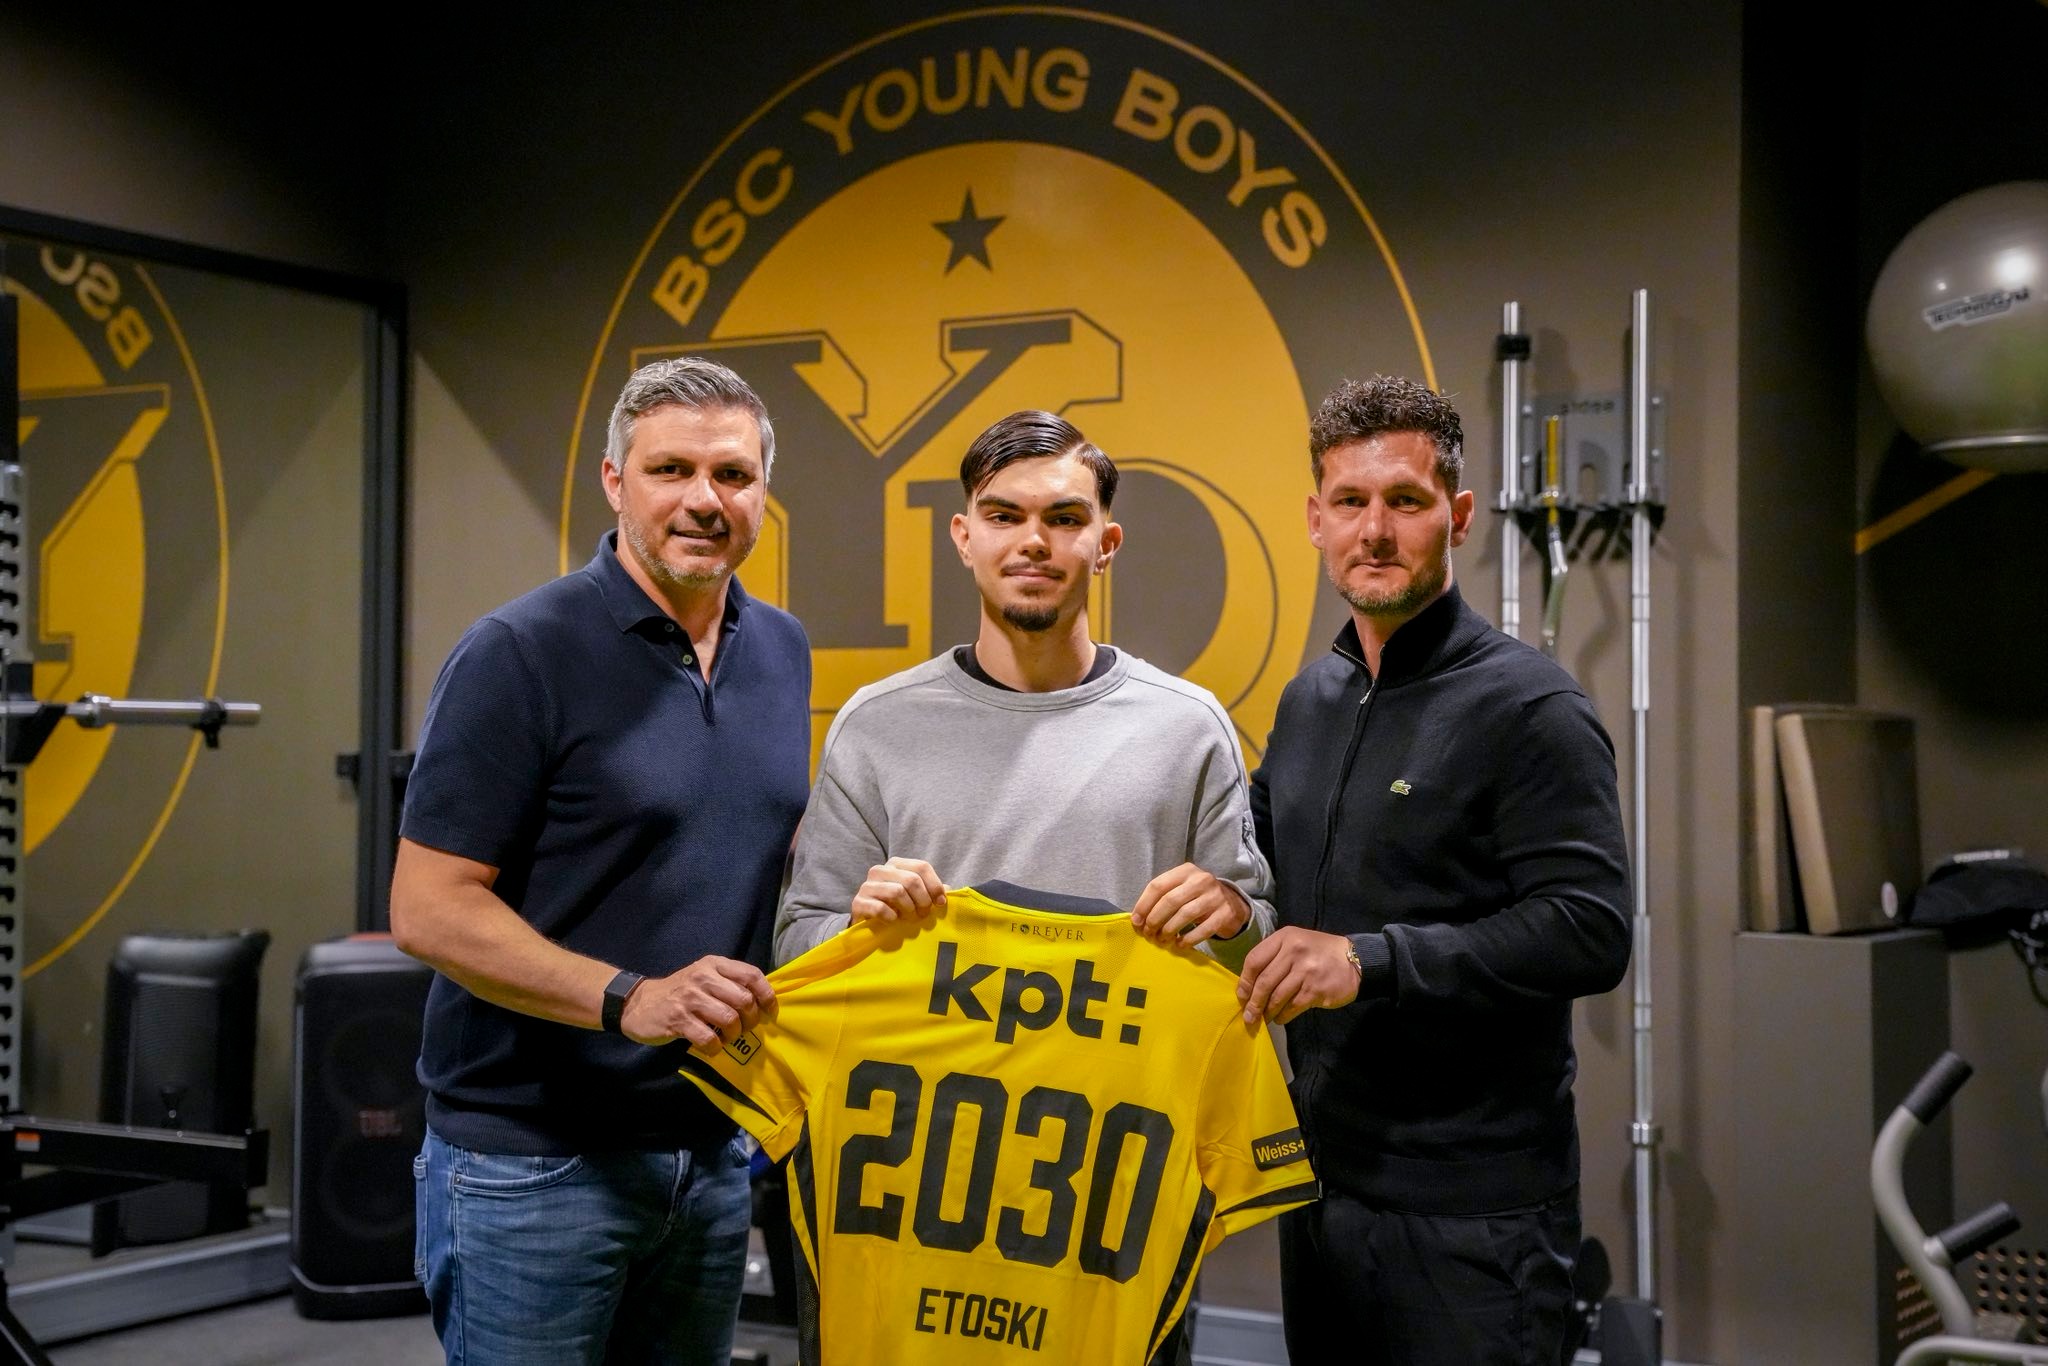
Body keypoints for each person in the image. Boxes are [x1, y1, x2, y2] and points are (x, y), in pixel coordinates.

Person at [389, 357, 812, 1366]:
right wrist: (631, 998)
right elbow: (430, 907)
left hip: (708, 1152)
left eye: (733, 475)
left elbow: (742, 851)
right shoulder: (518, 651)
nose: (704, 500)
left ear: (762, 492)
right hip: (534, 1166)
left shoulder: (780, 648)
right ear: (616, 482)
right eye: (671, 470)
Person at [1237, 375, 1631, 1366]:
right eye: (1350, 501)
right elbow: (1258, 856)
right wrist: (1217, 891)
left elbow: (1589, 929)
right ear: (1315, 520)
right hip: (1321, 1193)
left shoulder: (1529, 707)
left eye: (1404, 502)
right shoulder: (1310, 701)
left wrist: (1369, 960)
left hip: (1475, 1221)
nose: (1374, 531)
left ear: (1455, 516)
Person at [774, 407, 1274, 970]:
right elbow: (796, 942)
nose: (1034, 541)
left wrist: (1233, 918)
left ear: (1106, 545)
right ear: (964, 538)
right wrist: (856, 931)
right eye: (1003, 516)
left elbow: (1258, 946)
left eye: (1064, 519)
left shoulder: (1189, 726)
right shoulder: (874, 725)